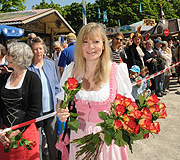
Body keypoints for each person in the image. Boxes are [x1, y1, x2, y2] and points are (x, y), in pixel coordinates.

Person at [56, 22, 133, 160]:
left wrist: (113, 128)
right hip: (79, 138)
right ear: (79, 46)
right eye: (85, 42)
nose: (90, 47)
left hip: (108, 140)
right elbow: (62, 101)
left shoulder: (116, 70)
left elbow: (129, 107)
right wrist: (61, 111)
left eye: (96, 41)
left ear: (103, 45)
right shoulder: (71, 71)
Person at [0, 42, 42, 160]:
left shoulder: (32, 78)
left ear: (18, 58)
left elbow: (35, 109)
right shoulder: (3, 78)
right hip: (5, 135)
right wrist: (1, 130)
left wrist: (19, 130)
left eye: (9, 54)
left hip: (26, 132)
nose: (5, 57)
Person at [28, 36, 60, 160]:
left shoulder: (50, 64)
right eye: (35, 49)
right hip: (36, 114)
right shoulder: (28, 68)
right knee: (38, 143)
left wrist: (58, 103)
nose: (38, 52)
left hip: (51, 111)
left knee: (53, 141)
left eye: (40, 48)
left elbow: (56, 86)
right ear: (31, 51)